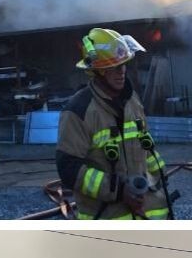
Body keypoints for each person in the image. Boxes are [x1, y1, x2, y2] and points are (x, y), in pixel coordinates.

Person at [55, 27, 171, 220]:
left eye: (124, 64)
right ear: (97, 71)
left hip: (149, 213)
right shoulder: (78, 110)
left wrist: (160, 177)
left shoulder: (132, 100)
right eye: (113, 67)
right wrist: (117, 190)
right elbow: (68, 168)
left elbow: (146, 148)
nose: (122, 72)